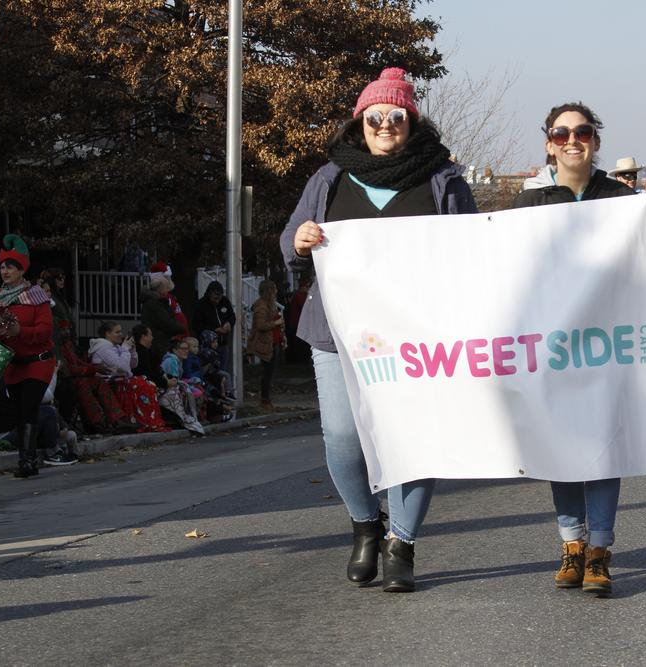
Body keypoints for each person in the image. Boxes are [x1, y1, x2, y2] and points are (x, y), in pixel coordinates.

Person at [280, 67, 478, 593]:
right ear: (359, 123)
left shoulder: (443, 179)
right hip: (338, 333)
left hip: (419, 336)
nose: (385, 124)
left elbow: (474, 251)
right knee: (343, 438)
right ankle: (366, 526)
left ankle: (402, 542)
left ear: (412, 123)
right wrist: (299, 240)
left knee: (413, 440)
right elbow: (290, 243)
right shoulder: (329, 179)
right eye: (375, 117)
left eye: (396, 116)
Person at [512, 102, 646, 597]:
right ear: (549, 143)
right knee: (561, 447)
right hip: (552, 347)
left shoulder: (622, 199)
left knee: (604, 449)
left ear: (595, 141)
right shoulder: (529, 205)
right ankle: (572, 544)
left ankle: (600, 552)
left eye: (582, 131)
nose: (572, 140)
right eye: (562, 133)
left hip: (609, 346)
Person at [0, 235, 55, 478]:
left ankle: (27, 462)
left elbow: (45, 331)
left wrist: (21, 331)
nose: (5, 271)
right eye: (2, 266)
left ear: (21, 269)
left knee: (28, 407)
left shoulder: (36, 295)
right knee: (18, 411)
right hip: (12, 366)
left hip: (38, 363)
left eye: (10, 266)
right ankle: (30, 457)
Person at [246, 279, 286, 410]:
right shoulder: (262, 306)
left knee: (270, 371)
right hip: (266, 342)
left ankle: (266, 398)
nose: (276, 292)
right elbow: (261, 325)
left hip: (272, 340)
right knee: (267, 372)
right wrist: (275, 323)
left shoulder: (270, 305)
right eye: (273, 290)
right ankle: (264, 399)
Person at [193, 281, 236, 381]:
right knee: (210, 373)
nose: (217, 301)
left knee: (222, 372)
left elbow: (232, 316)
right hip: (208, 348)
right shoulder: (201, 305)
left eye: (219, 298)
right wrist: (215, 330)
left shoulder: (225, 301)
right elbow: (196, 325)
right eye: (215, 298)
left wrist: (229, 323)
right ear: (209, 294)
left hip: (223, 344)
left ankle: (223, 390)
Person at [140, 276, 185, 359]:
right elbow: (166, 323)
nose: (168, 291)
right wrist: (181, 327)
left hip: (160, 343)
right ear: (160, 290)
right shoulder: (154, 304)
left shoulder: (157, 303)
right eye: (166, 288)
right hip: (158, 345)